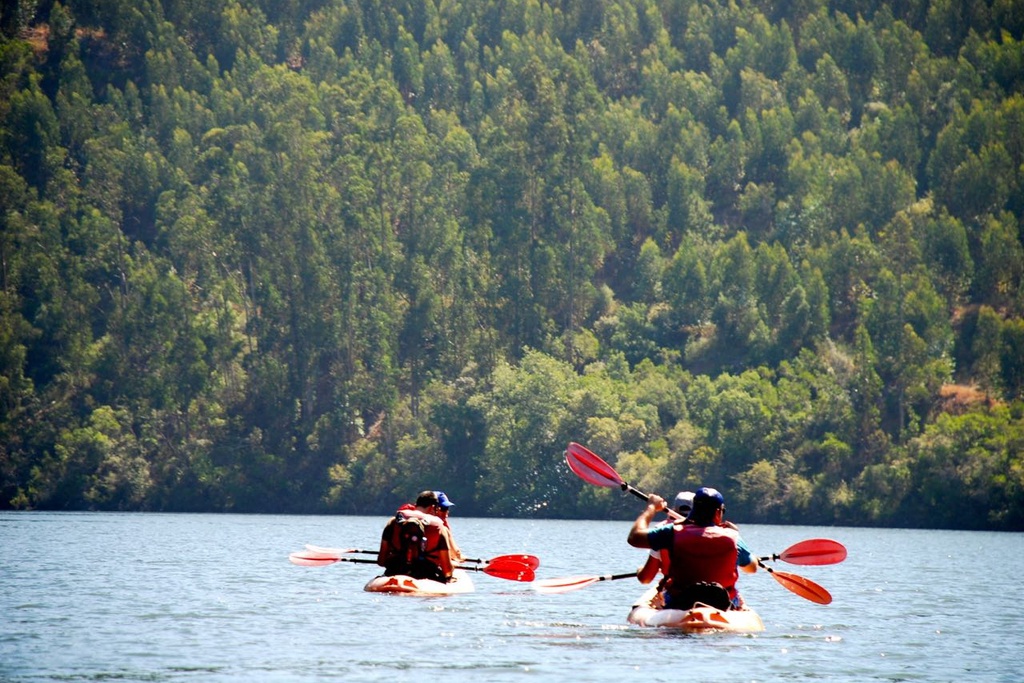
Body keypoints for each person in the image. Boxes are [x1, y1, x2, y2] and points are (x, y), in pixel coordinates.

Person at [627, 487, 756, 610]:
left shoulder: (671, 532)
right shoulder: (733, 537)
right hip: (722, 602)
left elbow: (634, 537)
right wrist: (737, 540)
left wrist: (652, 507)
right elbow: (752, 568)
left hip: (681, 601)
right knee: (737, 597)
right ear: (718, 512)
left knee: (661, 596)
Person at [377, 490, 456, 582]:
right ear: (433, 507)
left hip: (394, 571)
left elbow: (381, 561)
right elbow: (447, 571)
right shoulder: (440, 528)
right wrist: (452, 565)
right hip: (427, 576)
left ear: (416, 505)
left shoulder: (392, 522)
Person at [636, 491, 693, 584]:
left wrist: (640, 571)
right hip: (705, 590)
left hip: (675, 590)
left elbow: (646, 578)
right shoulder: (711, 532)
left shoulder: (662, 531)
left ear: (674, 509)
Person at [432, 491, 463, 562]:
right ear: (433, 508)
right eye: (443, 509)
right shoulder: (442, 529)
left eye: (447, 508)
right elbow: (456, 554)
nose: (446, 512)